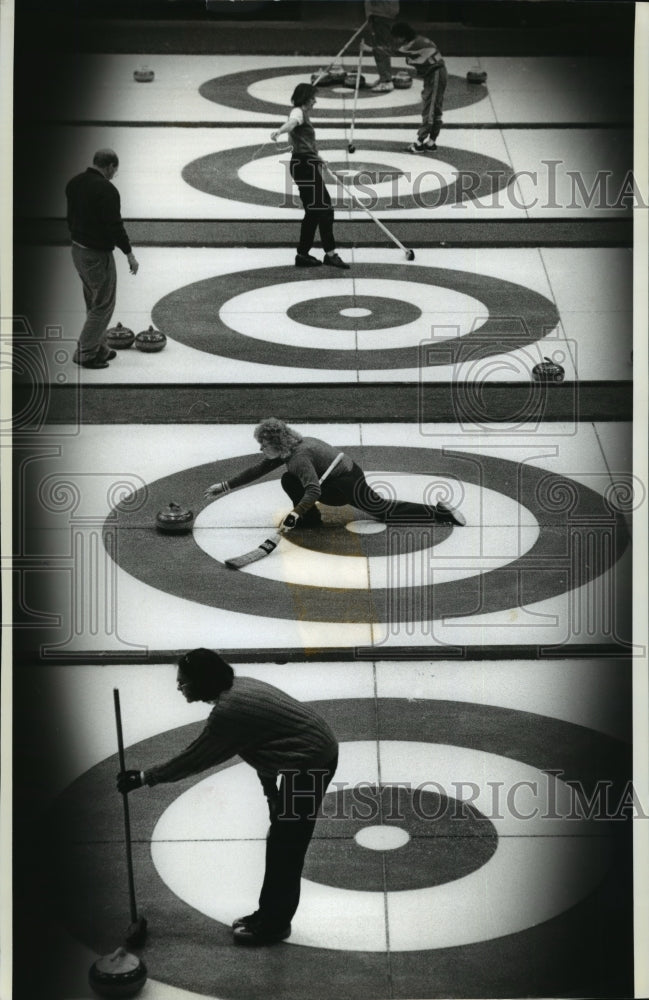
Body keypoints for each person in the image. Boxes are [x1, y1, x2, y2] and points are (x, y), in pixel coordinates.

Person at [117, 648, 338, 946]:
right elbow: (264, 750)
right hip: (306, 757)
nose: (179, 687)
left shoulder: (229, 713)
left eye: (183, 682)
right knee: (281, 842)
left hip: (310, 764)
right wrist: (272, 795)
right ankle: (268, 914)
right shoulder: (238, 690)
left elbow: (194, 758)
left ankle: (274, 925)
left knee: (286, 847)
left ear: (202, 682)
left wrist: (145, 777)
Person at [204, 418, 466, 527]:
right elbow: (259, 469)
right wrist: (224, 486)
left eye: (263, 445)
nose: (261, 449)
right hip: (342, 475)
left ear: (277, 443)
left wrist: (296, 513)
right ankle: (311, 520)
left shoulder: (299, 458)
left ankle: (440, 513)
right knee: (288, 479)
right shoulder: (292, 446)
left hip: (346, 484)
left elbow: (313, 490)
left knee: (383, 511)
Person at [65, 148, 139, 369]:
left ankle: (99, 347)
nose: (114, 174)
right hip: (97, 254)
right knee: (103, 305)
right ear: (110, 166)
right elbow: (115, 226)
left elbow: (70, 218)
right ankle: (86, 352)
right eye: (115, 170)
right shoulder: (107, 190)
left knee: (93, 301)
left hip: (78, 251)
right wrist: (129, 253)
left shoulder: (74, 183)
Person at [270, 84, 349, 270]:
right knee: (325, 209)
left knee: (313, 212)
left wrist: (316, 157)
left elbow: (303, 141)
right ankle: (330, 254)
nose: (315, 101)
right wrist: (280, 131)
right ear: (305, 98)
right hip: (304, 166)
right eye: (313, 97)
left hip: (305, 164)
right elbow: (292, 124)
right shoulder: (298, 112)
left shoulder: (301, 113)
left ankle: (303, 255)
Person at [390, 21, 447, 154]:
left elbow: (390, 51)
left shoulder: (413, 44)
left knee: (430, 108)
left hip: (435, 74)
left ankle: (420, 143)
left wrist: (368, 48)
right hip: (436, 73)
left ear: (402, 36)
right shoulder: (419, 40)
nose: (395, 41)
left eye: (396, 38)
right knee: (435, 107)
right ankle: (431, 142)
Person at [364, 0, 400, 91]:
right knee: (380, 44)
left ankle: (386, 81)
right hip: (380, 12)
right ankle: (384, 78)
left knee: (381, 46)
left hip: (381, 13)